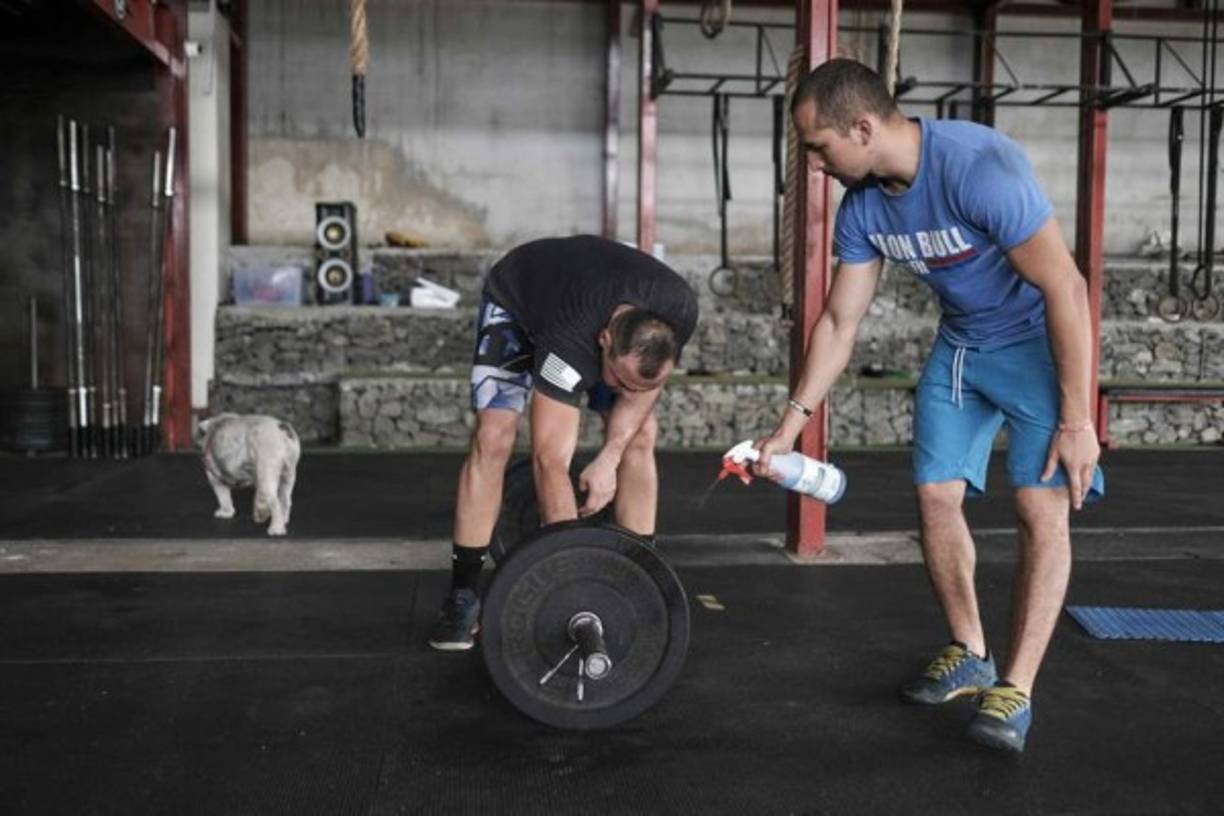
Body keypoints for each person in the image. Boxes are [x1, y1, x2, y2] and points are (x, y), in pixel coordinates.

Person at [753, 59, 1104, 753]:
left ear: (862, 128)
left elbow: (1066, 287)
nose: (815, 166)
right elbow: (839, 323)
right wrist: (788, 429)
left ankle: (1016, 689)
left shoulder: (978, 168)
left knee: (1039, 510)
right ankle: (971, 652)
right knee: (936, 498)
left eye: (819, 147)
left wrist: (1077, 420)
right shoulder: (863, 209)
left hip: (1036, 346)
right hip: (963, 348)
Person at [428, 234, 699, 652]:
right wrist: (572, 580)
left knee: (641, 434)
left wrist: (609, 457)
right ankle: (462, 594)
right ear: (604, 341)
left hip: (588, 300)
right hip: (519, 298)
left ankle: (640, 574)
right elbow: (549, 460)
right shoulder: (569, 341)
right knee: (494, 436)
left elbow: (644, 387)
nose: (627, 392)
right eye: (621, 381)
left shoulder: (678, 310)